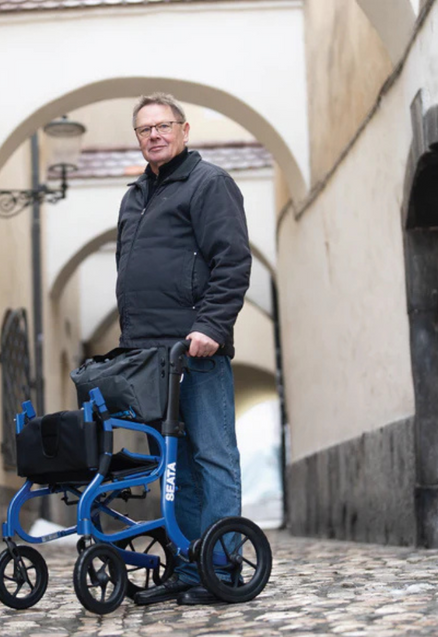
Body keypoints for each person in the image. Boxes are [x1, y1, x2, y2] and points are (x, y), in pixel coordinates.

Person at [116, 93, 252, 605]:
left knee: (213, 456)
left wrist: (212, 326)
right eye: (144, 128)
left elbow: (232, 260)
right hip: (149, 358)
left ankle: (223, 566)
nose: (154, 134)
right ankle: (192, 569)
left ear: (185, 130)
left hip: (195, 348)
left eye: (163, 125)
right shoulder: (133, 197)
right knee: (179, 465)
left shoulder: (209, 184)